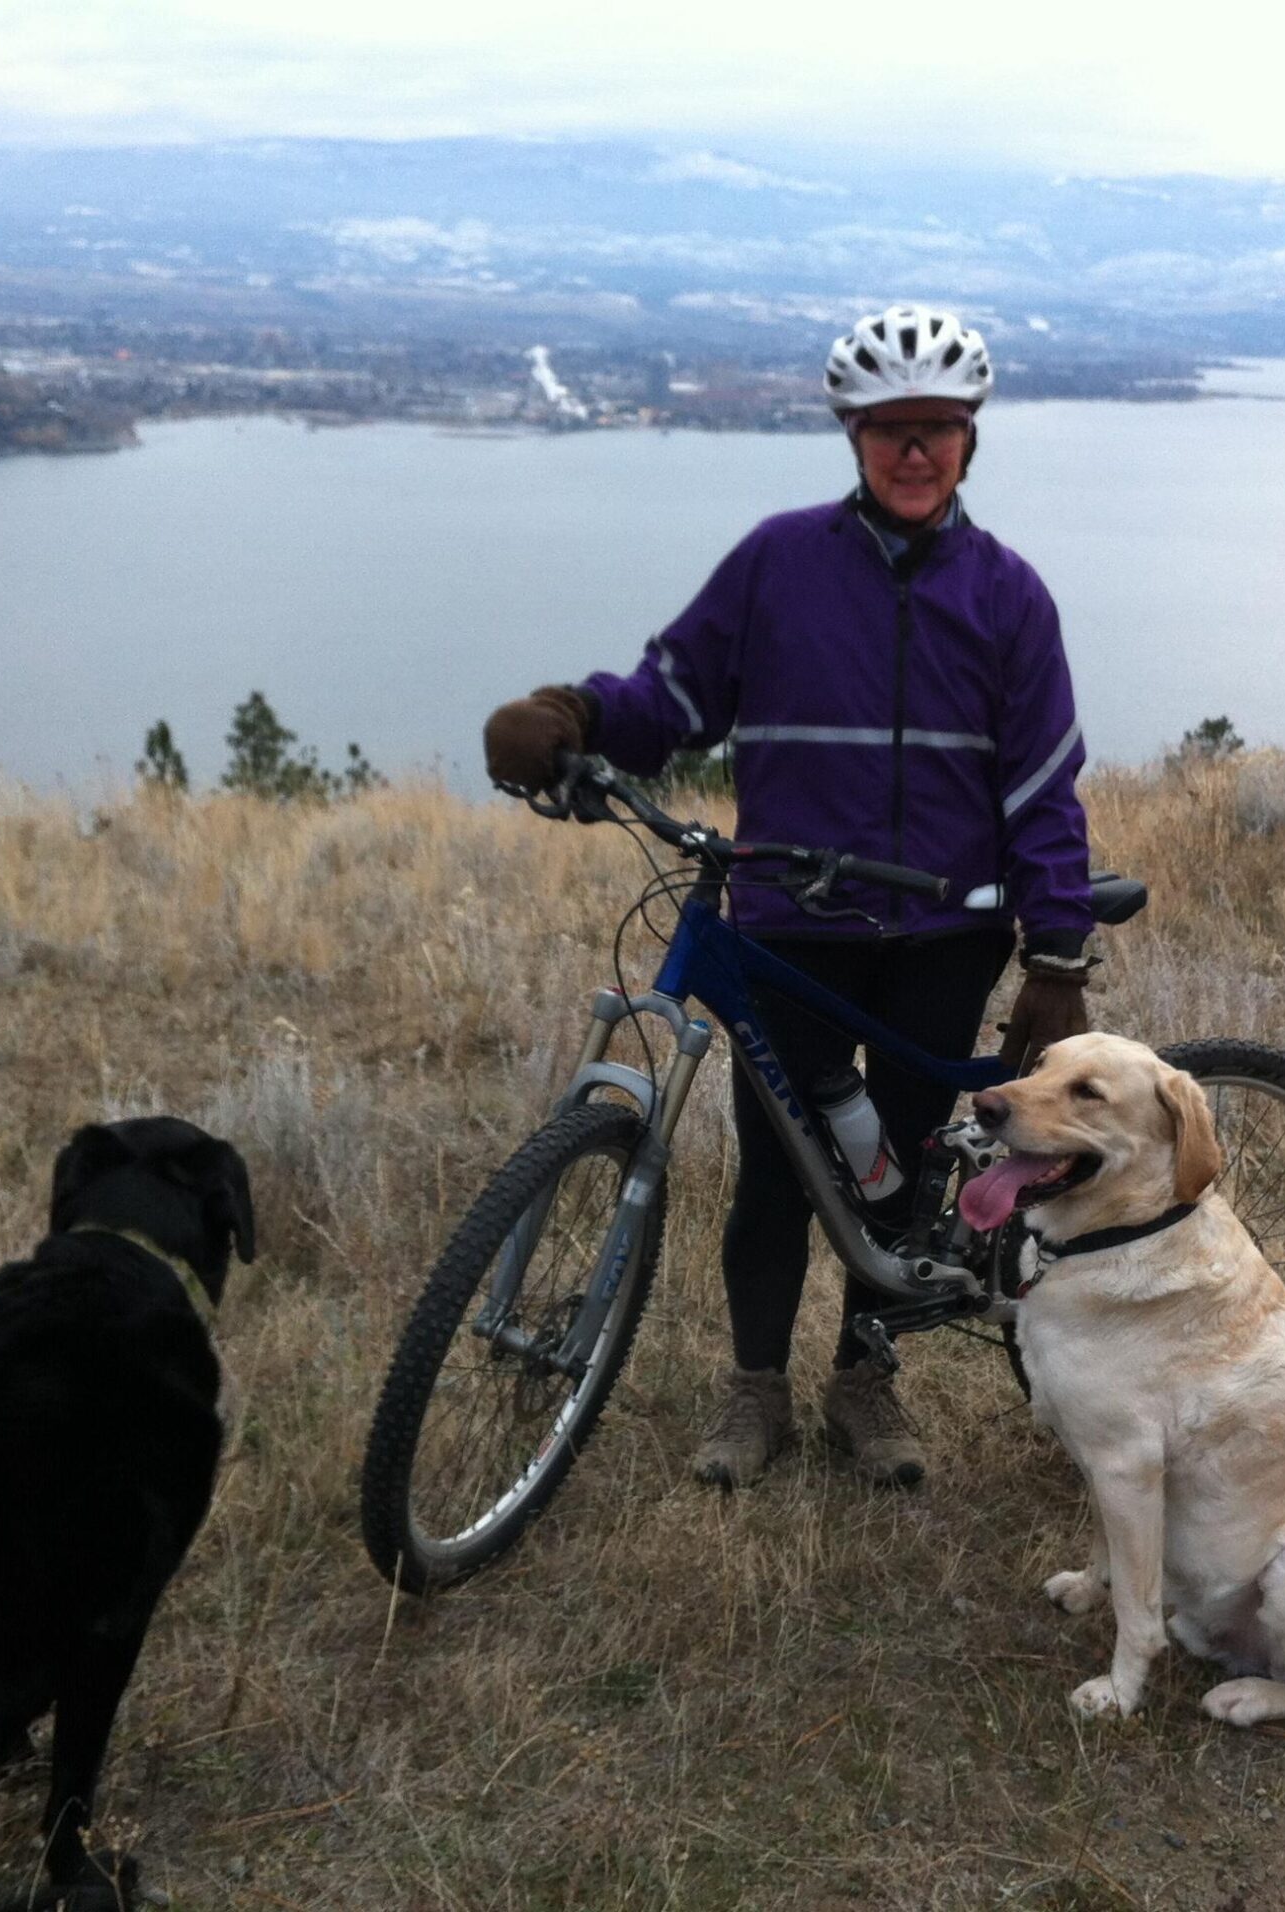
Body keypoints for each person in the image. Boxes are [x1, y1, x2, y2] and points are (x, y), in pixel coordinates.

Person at [483, 304, 1093, 1491]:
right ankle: (754, 1388)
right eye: (887, 431)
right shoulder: (778, 563)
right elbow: (672, 693)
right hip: (788, 924)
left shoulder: (1009, 598)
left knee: (909, 1168)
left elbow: (1041, 788)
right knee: (777, 1169)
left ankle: (866, 1381)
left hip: (941, 932)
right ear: (851, 437)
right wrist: (575, 715)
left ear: (970, 440)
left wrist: (1057, 953)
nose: (912, 453)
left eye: (935, 430)